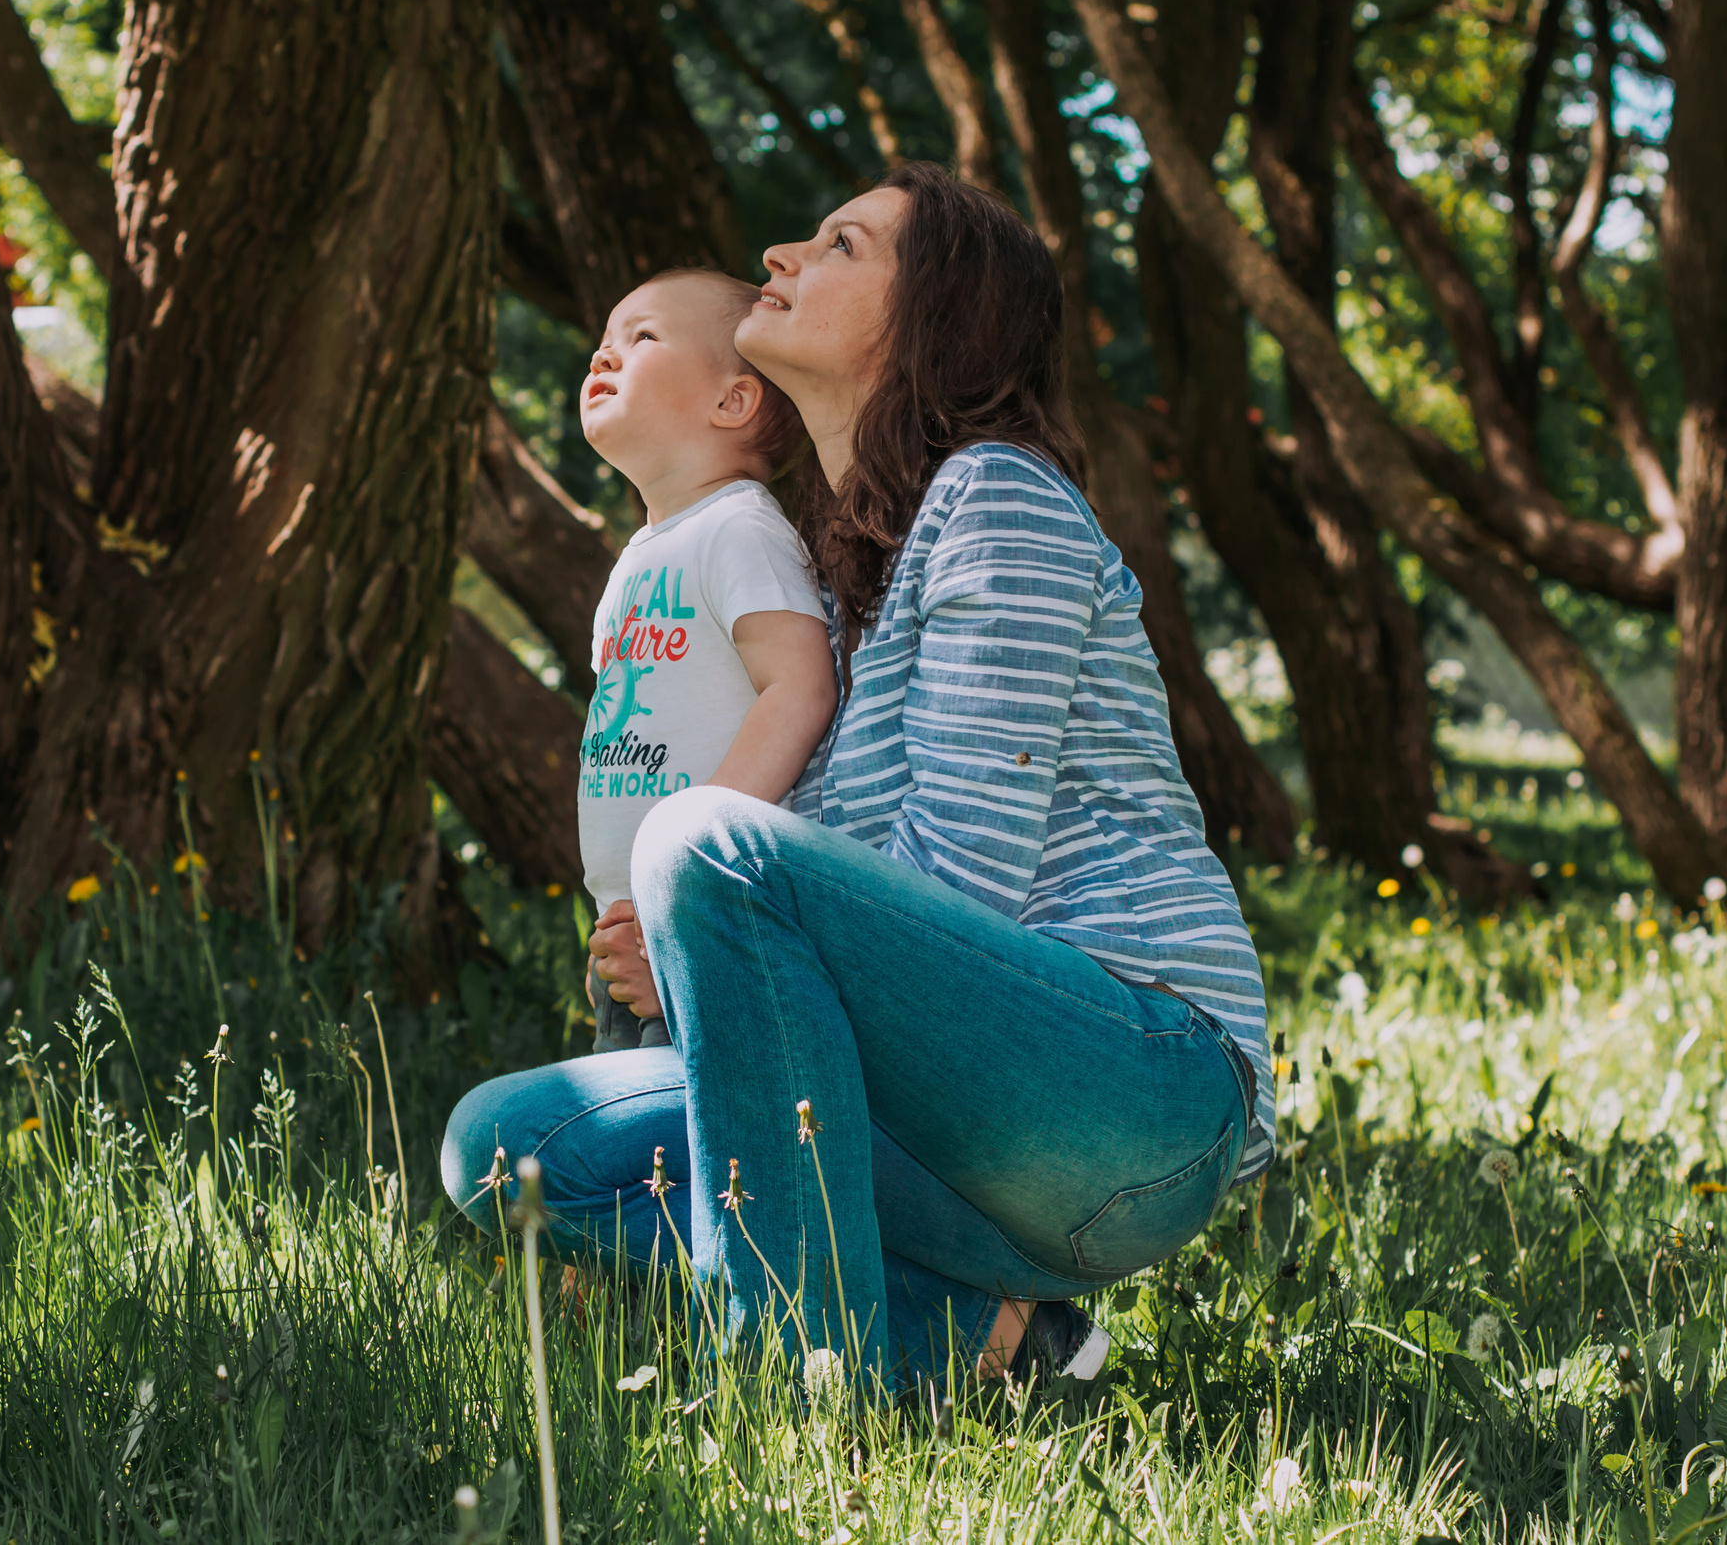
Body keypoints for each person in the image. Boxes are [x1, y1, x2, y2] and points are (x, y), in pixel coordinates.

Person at [441, 165, 1272, 1392]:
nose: (780, 253)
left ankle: (794, 1373)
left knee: (703, 844)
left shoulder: (1000, 498)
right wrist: (694, 962)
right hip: (953, 1144)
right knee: (502, 1147)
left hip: (1132, 1098)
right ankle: (992, 1344)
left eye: (839, 244)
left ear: (936, 318)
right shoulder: (836, 578)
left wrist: (695, 909)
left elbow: (962, 882)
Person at [572, 269, 837, 1051]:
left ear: (732, 401)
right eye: (602, 343)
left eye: (640, 337)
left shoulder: (739, 529)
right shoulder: (639, 558)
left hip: (702, 915)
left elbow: (800, 687)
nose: (601, 356)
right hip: (625, 925)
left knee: (696, 1151)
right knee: (642, 1164)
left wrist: (686, 865)